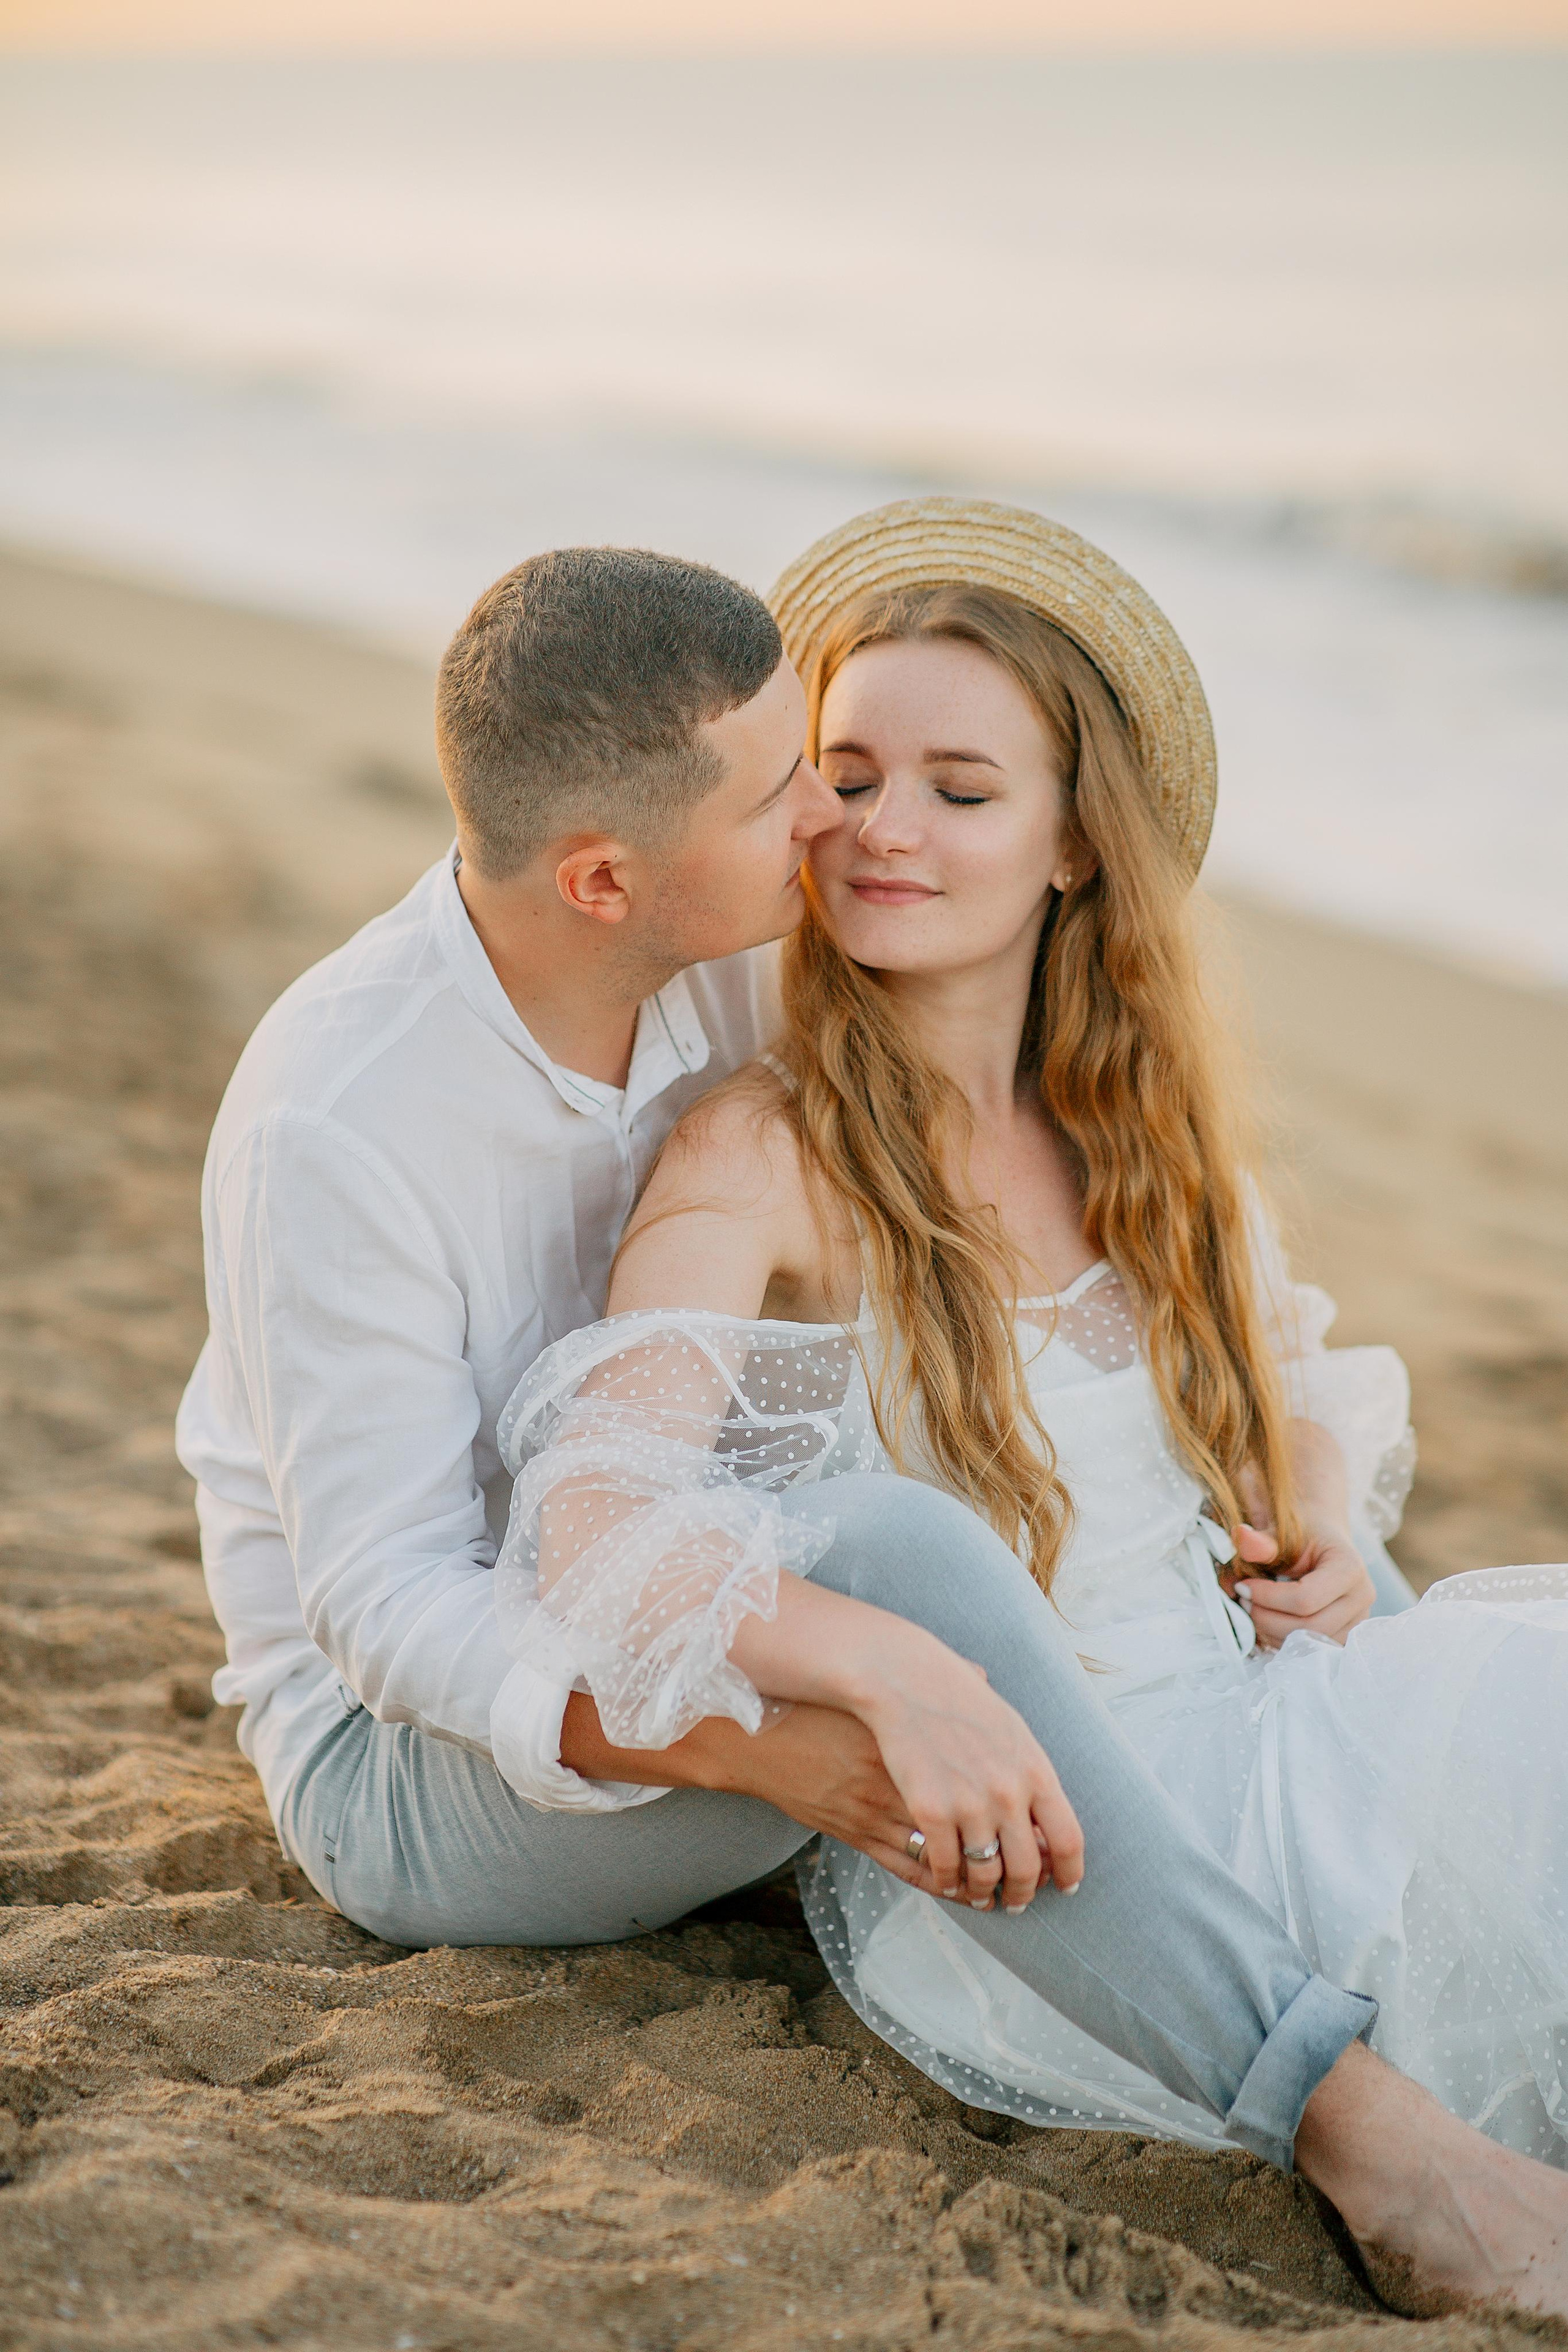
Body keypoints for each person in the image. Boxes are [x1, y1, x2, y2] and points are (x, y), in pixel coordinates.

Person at [176, 527, 1566, 2321]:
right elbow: (404, 1609)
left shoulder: (762, 948)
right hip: (429, 1742)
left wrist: (1300, 1500)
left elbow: (1236, 1326)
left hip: (829, 1619)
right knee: (910, 1559)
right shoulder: (354, 1118)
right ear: (609, 879)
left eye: (913, 786)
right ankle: (1368, 2138)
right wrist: (809, 1720)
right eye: (810, 786)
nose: (850, 829)